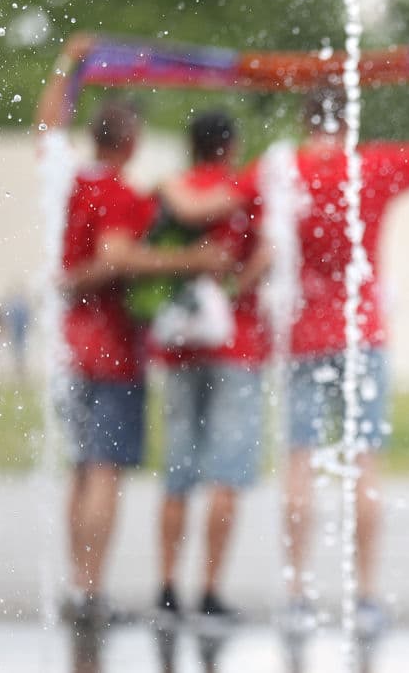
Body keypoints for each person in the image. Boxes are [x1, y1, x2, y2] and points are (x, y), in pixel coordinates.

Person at [258, 43, 409, 638]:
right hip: (362, 334)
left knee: (298, 465)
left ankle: (297, 597)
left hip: (303, 335)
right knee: (363, 466)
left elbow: (225, 207)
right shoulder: (370, 167)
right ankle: (367, 596)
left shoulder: (284, 172)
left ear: (305, 119)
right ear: (349, 120)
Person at [35, 33, 231, 625]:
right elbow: (117, 257)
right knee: (103, 470)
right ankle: (91, 592)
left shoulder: (72, 180)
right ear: (132, 141)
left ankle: (78, 588)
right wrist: (191, 260)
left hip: (70, 345)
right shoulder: (119, 193)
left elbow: (47, 128)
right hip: (111, 348)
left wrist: (69, 63)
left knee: (79, 468)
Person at [152, 109, 270, 623]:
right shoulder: (246, 191)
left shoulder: (174, 189)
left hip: (181, 346)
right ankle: (210, 590)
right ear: (232, 144)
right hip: (237, 347)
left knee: (177, 471)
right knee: (226, 473)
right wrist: (235, 288)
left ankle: (167, 586)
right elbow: (268, 252)